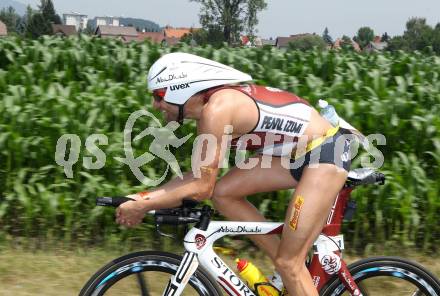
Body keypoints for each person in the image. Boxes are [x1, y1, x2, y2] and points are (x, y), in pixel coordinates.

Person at [115, 52, 352, 295]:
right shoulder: (212, 110)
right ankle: (290, 271)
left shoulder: (217, 110)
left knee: (288, 263)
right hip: (296, 154)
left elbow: (200, 188)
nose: (155, 105)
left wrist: (143, 205)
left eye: (158, 96)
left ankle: (291, 268)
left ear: (180, 89)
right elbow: (199, 177)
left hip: (324, 153)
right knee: (223, 193)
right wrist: (142, 198)